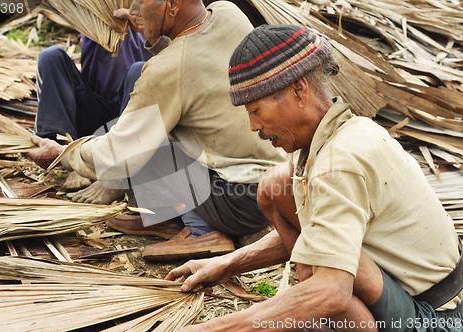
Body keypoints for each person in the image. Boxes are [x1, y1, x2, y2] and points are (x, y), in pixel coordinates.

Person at [165, 25, 463, 331]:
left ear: (299, 90)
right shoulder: (344, 132)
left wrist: (211, 328)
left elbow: (333, 293)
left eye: (255, 110)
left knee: (327, 289)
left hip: (432, 319)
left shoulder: (339, 161)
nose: (253, 125)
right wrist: (226, 264)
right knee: (277, 187)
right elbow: (318, 230)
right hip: (421, 296)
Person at [28, 0, 289, 261]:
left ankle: (202, 232)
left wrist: (64, 154)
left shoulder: (167, 71)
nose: (134, 8)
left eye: (141, 2)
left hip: (234, 202)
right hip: (270, 186)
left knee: (145, 139)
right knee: (147, 97)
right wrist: (153, 31)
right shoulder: (228, 12)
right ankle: (164, 216)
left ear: (173, 5)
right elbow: (191, 60)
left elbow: (119, 155)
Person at [34, 8, 153, 203]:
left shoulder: (153, 13)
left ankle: (117, 176)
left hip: (133, 119)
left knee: (139, 70)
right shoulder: (93, 10)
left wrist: (140, 21)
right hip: (92, 116)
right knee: (51, 55)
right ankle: (67, 154)